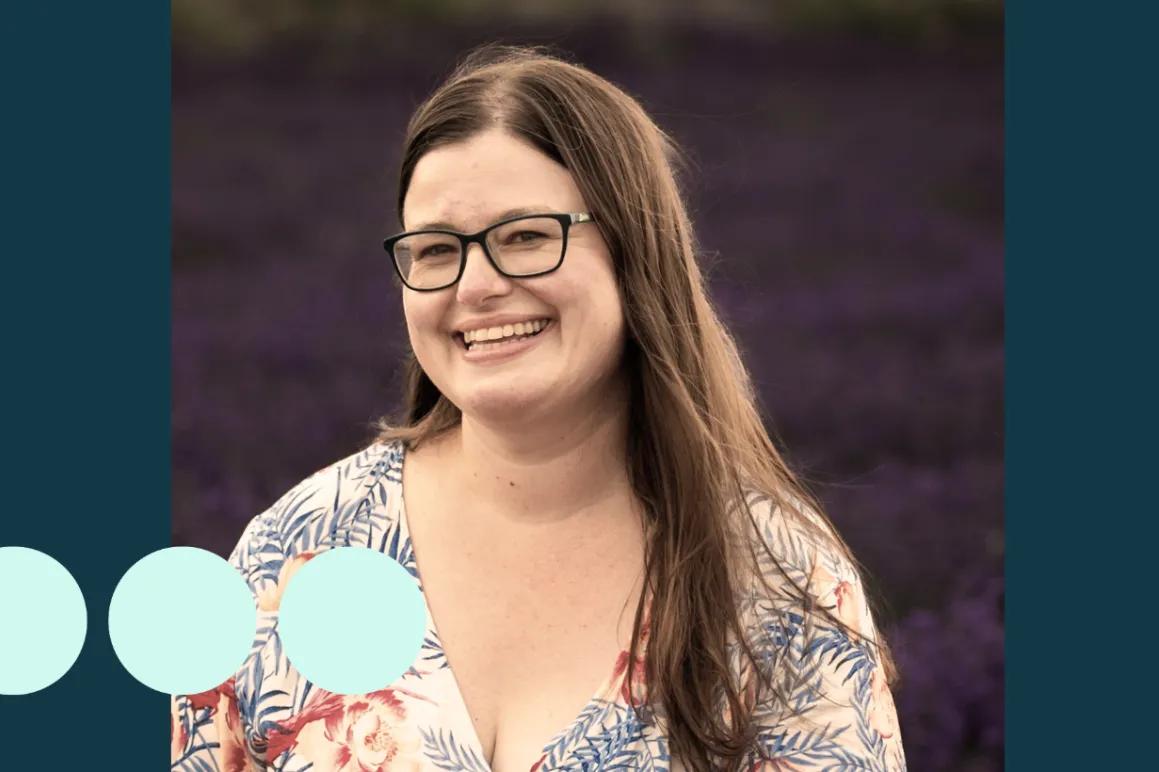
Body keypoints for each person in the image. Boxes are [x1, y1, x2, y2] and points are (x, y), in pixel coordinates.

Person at [171, 43, 907, 772]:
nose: (476, 285)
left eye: (525, 237)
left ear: (633, 251)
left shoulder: (781, 581)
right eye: (434, 250)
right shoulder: (294, 551)